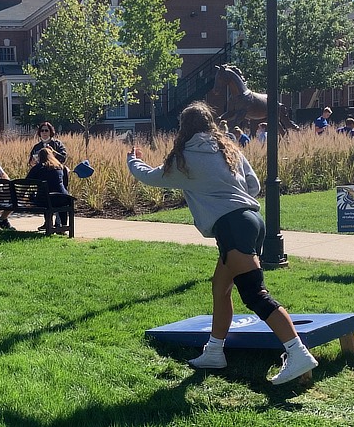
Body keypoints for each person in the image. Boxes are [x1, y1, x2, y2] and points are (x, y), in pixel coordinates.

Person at [126, 101, 318, 385]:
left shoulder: (184, 158)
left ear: (184, 128)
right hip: (253, 221)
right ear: (210, 124)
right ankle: (214, 351)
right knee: (220, 288)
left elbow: (149, 176)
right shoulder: (229, 149)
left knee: (255, 296)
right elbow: (252, 186)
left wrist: (133, 159)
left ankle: (297, 352)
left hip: (232, 228)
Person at [27, 147, 70, 231]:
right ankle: (64, 226)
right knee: (62, 199)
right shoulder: (61, 167)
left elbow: (27, 182)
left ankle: (48, 223)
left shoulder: (38, 167)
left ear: (39, 157)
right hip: (62, 198)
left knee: (45, 197)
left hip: (45, 200)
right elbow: (65, 184)